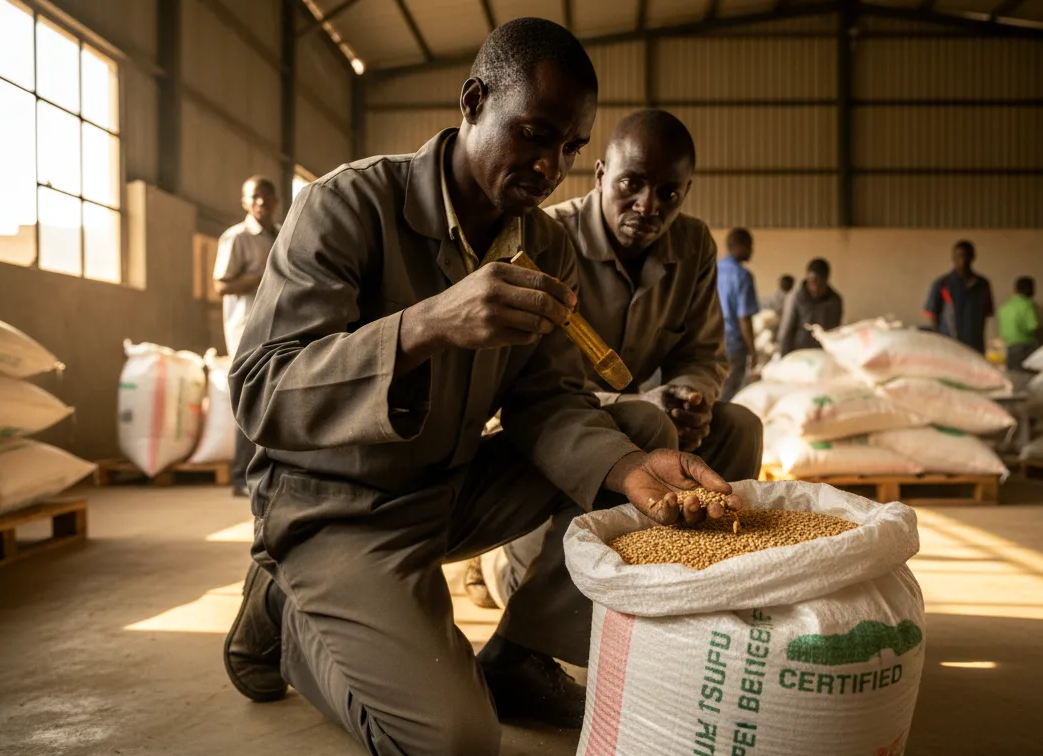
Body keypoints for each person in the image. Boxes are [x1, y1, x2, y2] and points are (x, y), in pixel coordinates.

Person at [221, 19, 741, 756]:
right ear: (473, 101)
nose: (549, 165)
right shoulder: (346, 207)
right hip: (339, 509)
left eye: (568, 149)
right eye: (534, 134)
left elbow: (548, 399)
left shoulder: (545, 245)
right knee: (456, 742)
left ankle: (522, 652)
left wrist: (627, 469)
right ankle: (291, 613)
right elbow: (259, 391)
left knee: (641, 433)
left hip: (447, 489)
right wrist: (424, 325)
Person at [470, 109, 765, 611]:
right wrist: (650, 403)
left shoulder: (693, 246)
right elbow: (536, 391)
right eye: (632, 183)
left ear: (685, 194)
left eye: (668, 193)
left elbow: (703, 353)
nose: (648, 206)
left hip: (648, 419)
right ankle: (516, 577)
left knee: (740, 426)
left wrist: (691, 396)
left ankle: (690, 579)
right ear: (602, 174)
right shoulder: (547, 241)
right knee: (649, 422)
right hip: (560, 430)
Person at [213, 175, 279, 497]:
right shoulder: (236, 238)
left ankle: (272, 473)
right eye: (254, 197)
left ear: (276, 201)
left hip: (278, 328)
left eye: (267, 196)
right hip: (246, 331)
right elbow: (222, 284)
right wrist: (262, 277)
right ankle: (241, 477)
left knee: (276, 397)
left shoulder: (283, 235)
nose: (261, 202)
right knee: (248, 397)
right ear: (245, 202)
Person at [924, 239, 995, 354]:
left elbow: (987, 313)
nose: (963, 260)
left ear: (973, 257)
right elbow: (932, 314)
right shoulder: (942, 284)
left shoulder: (982, 285)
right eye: (959, 256)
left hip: (975, 346)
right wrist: (941, 340)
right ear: (953, 257)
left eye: (966, 256)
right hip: (950, 346)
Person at [718, 227, 760, 400]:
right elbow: (744, 319)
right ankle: (718, 425)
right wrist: (753, 350)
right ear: (740, 247)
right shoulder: (743, 276)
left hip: (708, 341)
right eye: (750, 246)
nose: (752, 251)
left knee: (710, 389)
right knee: (729, 392)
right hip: (732, 344)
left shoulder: (713, 269)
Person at [777, 257, 843, 355]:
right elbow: (786, 330)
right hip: (798, 353)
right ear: (807, 277)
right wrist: (784, 356)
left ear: (827, 279)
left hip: (822, 354)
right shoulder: (795, 298)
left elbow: (835, 332)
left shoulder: (834, 301)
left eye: (820, 284)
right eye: (812, 282)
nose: (815, 288)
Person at [999, 275, 1042, 370]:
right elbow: (1033, 326)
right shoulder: (1028, 304)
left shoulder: (1006, 305)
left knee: (1014, 375)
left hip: (1009, 345)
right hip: (1025, 345)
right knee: (1029, 376)